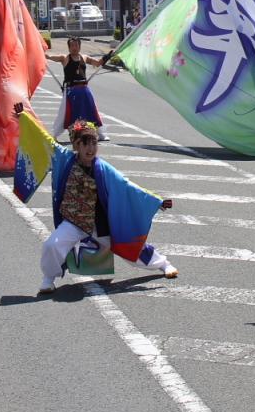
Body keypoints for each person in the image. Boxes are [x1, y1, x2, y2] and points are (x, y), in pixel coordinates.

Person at [14, 115, 178, 294]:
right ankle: (49, 278)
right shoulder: (64, 159)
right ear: (76, 145)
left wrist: (156, 201)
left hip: (99, 224)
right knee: (52, 245)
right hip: (73, 221)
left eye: (94, 143)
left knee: (129, 248)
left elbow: (127, 186)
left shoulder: (103, 168)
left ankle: (163, 264)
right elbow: (43, 139)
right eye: (86, 143)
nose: (91, 148)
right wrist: (23, 117)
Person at [47, 37, 112, 140]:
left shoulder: (84, 57)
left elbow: (98, 63)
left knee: (92, 112)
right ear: (68, 47)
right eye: (72, 46)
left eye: (76, 45)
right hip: (71, 91)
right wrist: (43, 54)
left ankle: (101, 134)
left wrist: (106, 58)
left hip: (85, 90)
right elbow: (50, 57)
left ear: (80, 46)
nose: (74, 48)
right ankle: (54, 135)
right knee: (65, 115)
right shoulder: (64, 58)